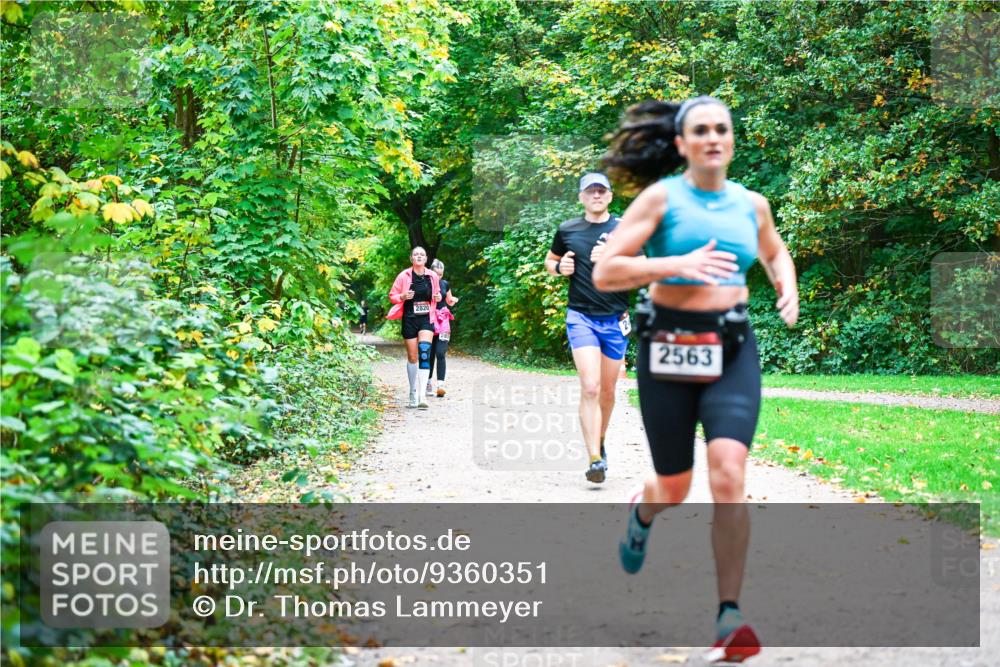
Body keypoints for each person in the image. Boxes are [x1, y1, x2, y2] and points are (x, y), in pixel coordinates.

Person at [593, 96, 799, 660]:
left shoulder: (752, 204)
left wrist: (787, 285)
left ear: (732, 140)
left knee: (729, 471)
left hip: (730, 347)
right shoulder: (661, 199)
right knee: (677, 487)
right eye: (701, 130)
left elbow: (775, 253)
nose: (713, 138)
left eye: (722, 129)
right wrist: (672, 265)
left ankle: (728, 616)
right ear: (682, 144)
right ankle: (644, 509)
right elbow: (607, 269)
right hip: (667, 348)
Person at [544, 172, 633, 485]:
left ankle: (600, 441)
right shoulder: (567, 230)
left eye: (602, 191)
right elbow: (550, 261)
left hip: (615, 318)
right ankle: (594, 458)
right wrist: (559, 268)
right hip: (580, 316)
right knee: (591, 387)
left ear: (610, 196)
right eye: (590, 191)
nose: (596, 196)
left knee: (608, 392)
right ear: (581, 197)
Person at [387, 247, 442, 409]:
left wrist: (438, 297)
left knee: (424, 352)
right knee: (413, 357)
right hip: (410, 318)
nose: (419, 256)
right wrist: (402, 296)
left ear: (426, 259)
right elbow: (392, 296)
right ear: (411, 258)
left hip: (426, 318)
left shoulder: (432, 276)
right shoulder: (404, 276)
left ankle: (422, 395)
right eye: (416, 254)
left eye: (422, 255)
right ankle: (413, 392)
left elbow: (437, 294)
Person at [426, 259, 459, 397]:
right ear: (431, 272)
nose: (439, 277)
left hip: (443, 321)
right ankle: (427, 382)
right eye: (436, 274)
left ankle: (440, 385)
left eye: (441, 274)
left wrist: (453, 300)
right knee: (430, 354)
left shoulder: (445, 284)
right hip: (430, 320)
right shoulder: (426, 284)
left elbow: (449, 301)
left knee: (440, 353)